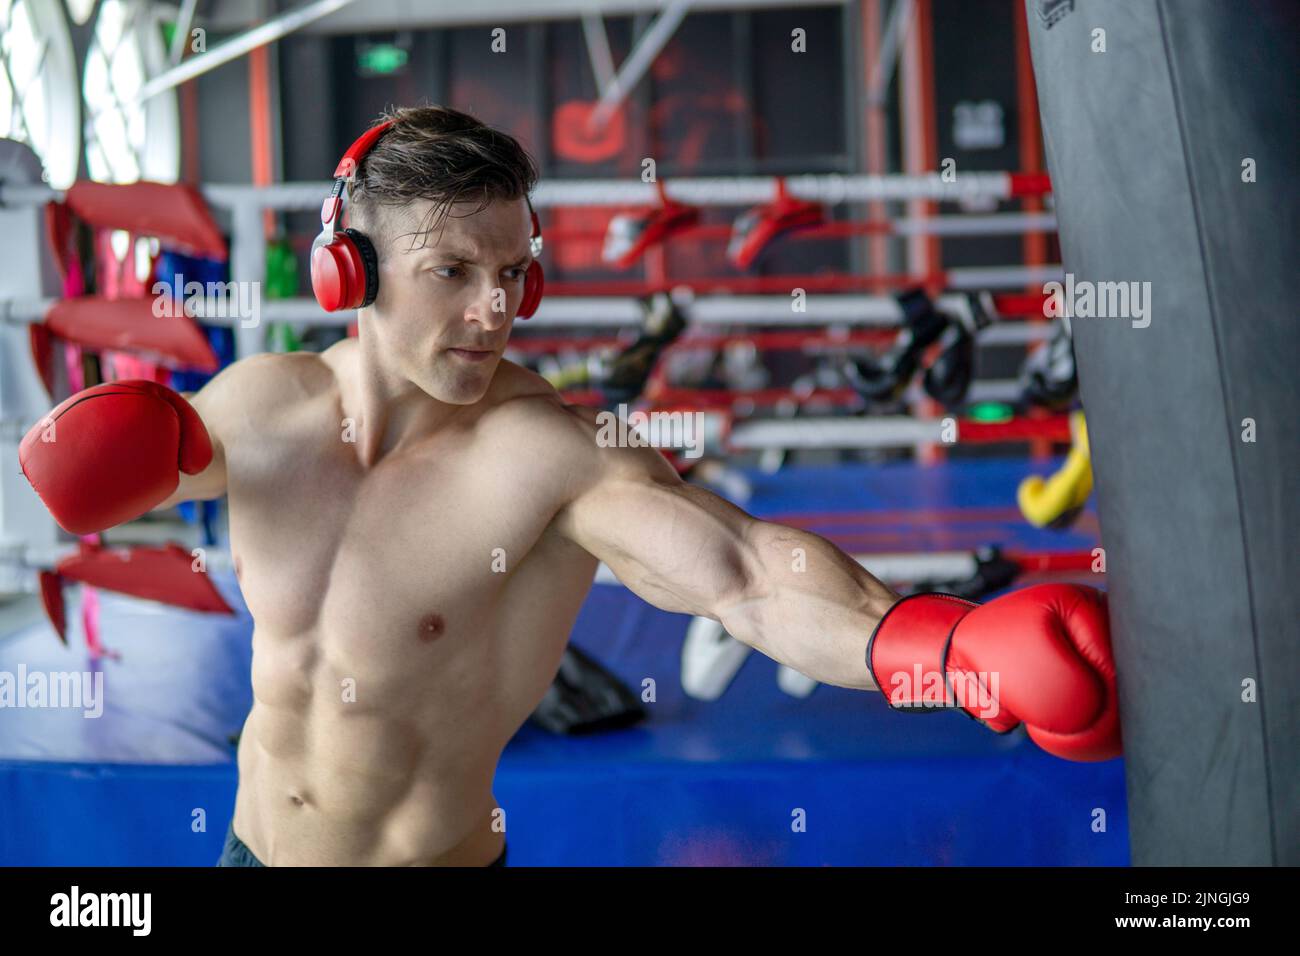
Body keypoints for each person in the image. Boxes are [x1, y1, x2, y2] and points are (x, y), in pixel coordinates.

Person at [19, 106, 1120, 867]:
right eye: (453, 271)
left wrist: (937, 647)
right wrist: (110, 447)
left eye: (512, 274)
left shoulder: (547, 453)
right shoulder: (261, 407)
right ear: (346, 269)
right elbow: (148, 458)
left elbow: (742, 575)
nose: (494, 310)